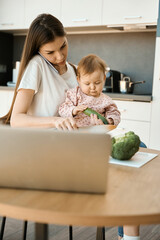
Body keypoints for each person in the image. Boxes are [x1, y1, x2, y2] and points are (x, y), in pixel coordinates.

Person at [1, 13, 140, 240]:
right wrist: (55, 120)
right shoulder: (36, 67)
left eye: (63, 46)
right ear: (38, 51)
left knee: (136, 150)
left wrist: (103, 120)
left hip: (77, 144)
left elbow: (92, 104)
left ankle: (128, 236)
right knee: (123, 170)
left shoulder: (75, 71)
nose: (59, 56)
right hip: (49, 152)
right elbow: (17, 119)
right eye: (50, 52)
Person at [59, 54, 120, 127]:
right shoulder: (74, 94)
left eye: (97, 83)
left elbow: (115, 113)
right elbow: (62, 110)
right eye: (87, 84)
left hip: (97, 133)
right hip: (76, 133)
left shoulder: (106, 100)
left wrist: (110, 120)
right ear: (78, 80)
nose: (92, 87)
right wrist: (73, 110)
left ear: (104, 79)